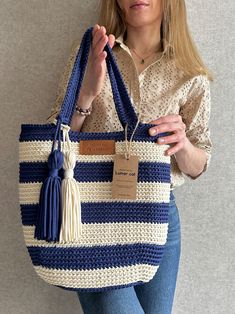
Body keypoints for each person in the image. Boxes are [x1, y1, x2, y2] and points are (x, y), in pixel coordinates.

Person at [46, 0, 213, 313]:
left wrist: (183, 145)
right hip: (92, 213)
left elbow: (199, 165)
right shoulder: (92, 53)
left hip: (160, 214)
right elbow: (55, 140)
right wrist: (86, 96)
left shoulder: (190, 72)